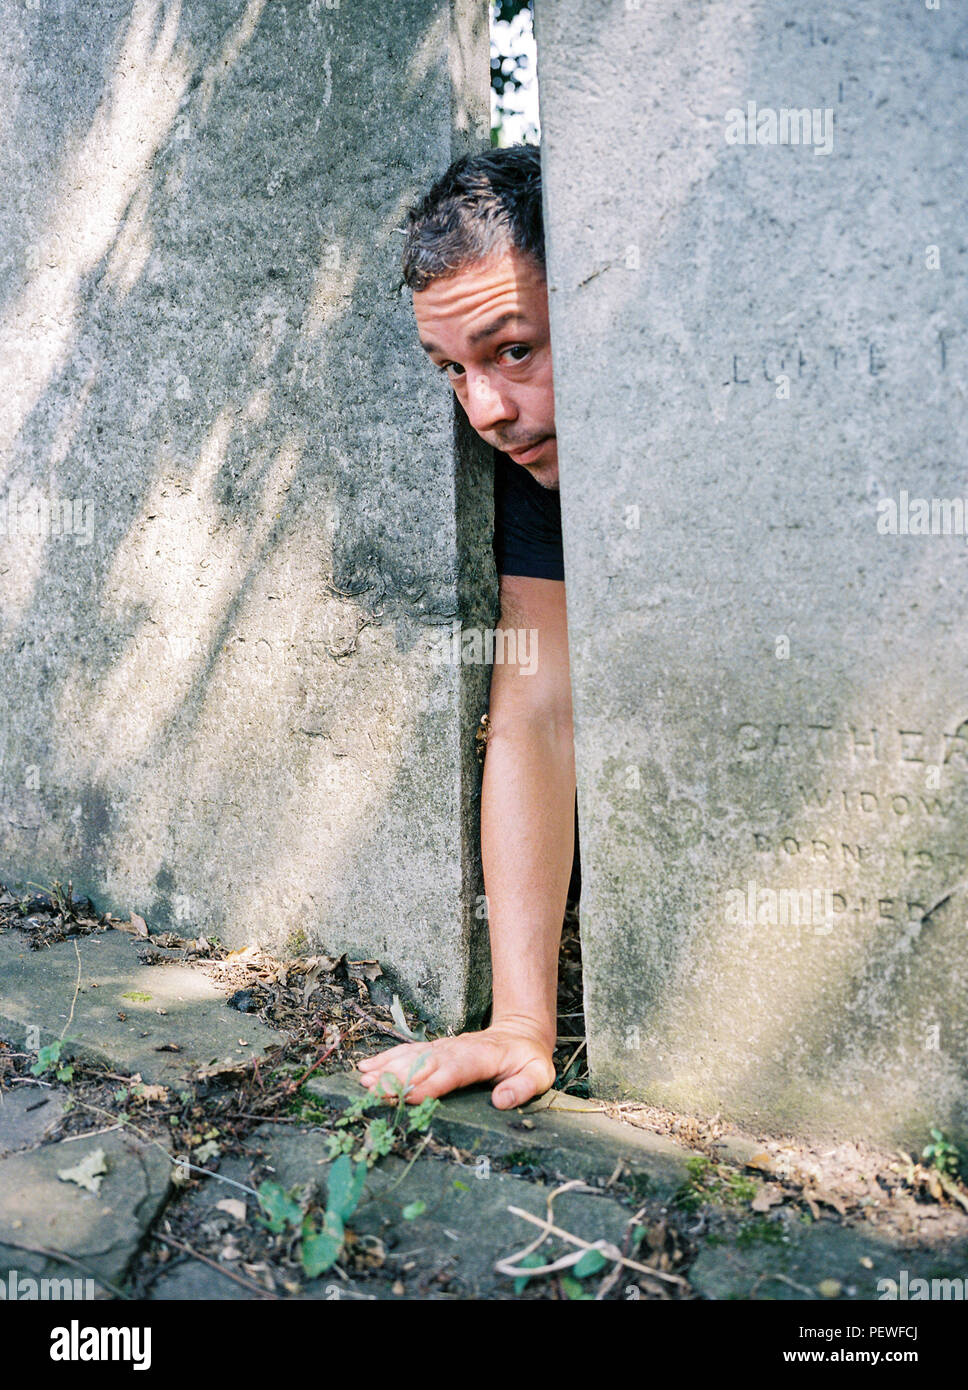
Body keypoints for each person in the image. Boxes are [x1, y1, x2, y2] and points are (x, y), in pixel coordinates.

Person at [357, 145, 577, 1110]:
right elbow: (538, 709)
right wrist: (522, 1022)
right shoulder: (535, 461)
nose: (487, 410)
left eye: (513, 349)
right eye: (453, 369)